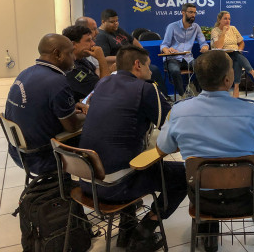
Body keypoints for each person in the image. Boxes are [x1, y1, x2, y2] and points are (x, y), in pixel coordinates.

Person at [156, 50, 254, 251]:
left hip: (202, 199)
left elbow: (162, 148)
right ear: (228, 80)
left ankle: (208, 231)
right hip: (247, 197)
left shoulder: (179, 111)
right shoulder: (252, 110)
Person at [79, 45, 186, 252]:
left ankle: (126, 227)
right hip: (117, 186)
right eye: (148, 66)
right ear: (137, 65)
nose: (150, 71)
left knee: (124, 154)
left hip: (87, 181)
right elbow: (172, 126)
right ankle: (143, 232)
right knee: (183, 176)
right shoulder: (146, 89)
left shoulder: (102, 83)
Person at [4, 34, 86, 175]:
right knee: (97, 133)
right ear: (57, 54)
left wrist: (70, 109)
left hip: (19, 152)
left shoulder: (25, 73)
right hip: (44, 158)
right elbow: (72, 127)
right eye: (70, 53)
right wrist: (89, 113)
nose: (74, 57)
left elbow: (39, 106)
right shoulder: (57, 82)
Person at [96, 8, 168, 95]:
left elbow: (133, 40)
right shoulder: (101, 36)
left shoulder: (117, 29)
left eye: (117, 21)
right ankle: (156, 96)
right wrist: (127, 58)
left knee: (153, 69)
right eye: (112, 22)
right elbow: (104, 58)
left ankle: (162, 96)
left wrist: (143, 53)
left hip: (133, 61)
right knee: (153, 70)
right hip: (121, 66)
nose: (116, 23)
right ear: (103, 22)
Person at [211, 11, 254, 98]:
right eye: (225, 19)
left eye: (229, 19)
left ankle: (236, 87)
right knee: (237, 57)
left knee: (237, 59)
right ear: (219, 20)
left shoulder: (233, 28)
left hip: (235, 54)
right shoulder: (215, 31)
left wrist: (240, 49)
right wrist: (223, 32)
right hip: (222, 56)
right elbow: (219, 46)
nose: (227, 21)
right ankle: (252, 74)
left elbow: (241, 42)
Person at [160, 3, 209, 98]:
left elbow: (203, 42)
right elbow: (164, 45)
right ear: (183, 13)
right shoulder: (172, 26)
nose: (193, 15)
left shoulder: (196, 27)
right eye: (190, 12)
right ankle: (182, 95)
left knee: (202, 67)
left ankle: (199, 93)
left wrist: (205, 47)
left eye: (194, 13)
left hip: (188, 58)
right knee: (175, 70)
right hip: (172, 58)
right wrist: (167, 50)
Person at [62, 25, 110, 101]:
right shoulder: (71, 69)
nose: (93, 44)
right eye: (88, 40)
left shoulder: (81, 59)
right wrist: (102, 59)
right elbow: (105, 91)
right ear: (73, 44)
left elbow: (96, 75)